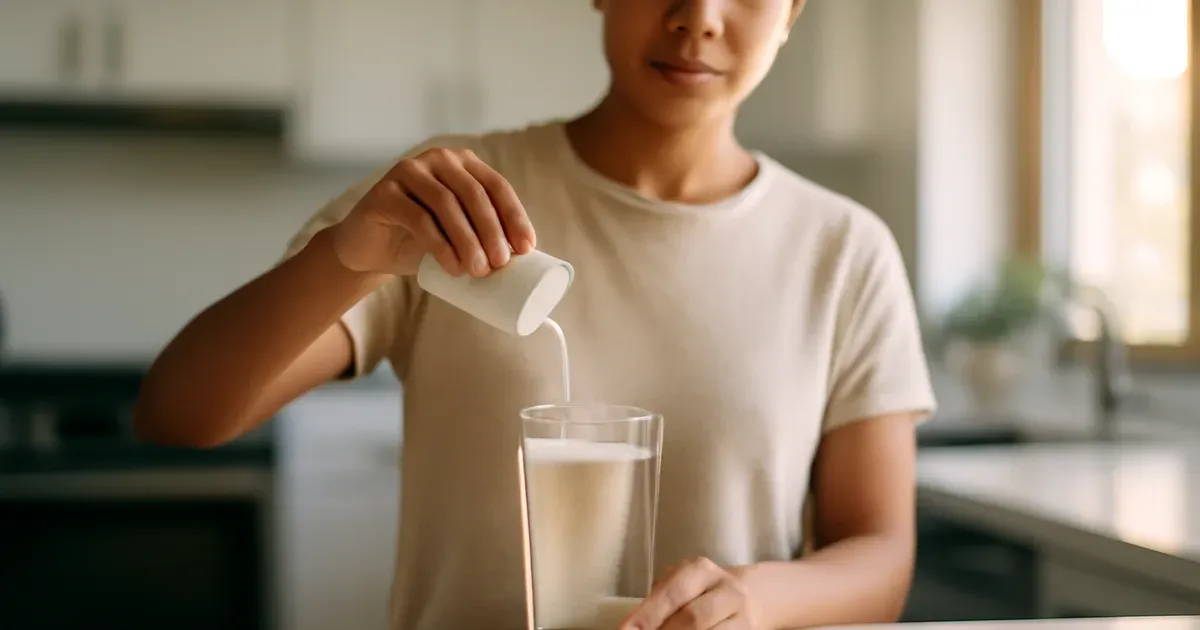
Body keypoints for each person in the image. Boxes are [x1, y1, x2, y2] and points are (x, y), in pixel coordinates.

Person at [134, 0, 936, 628]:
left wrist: (759, 602)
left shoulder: (845, 253)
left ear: (794, 12)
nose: (698, 15)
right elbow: (178, 414)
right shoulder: (444, 203)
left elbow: (880, 554)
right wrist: (343, 257)